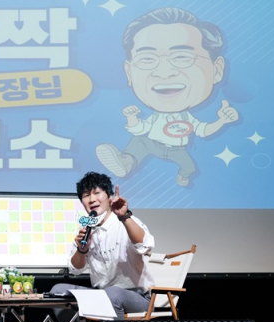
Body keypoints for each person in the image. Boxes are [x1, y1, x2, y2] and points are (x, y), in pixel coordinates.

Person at [96, 7, 239, 187]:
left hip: (177, 150)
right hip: (153, 143)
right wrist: (132, 117)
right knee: (139, 141)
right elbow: (139, 129)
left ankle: (183, 176)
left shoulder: (188, 118)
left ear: (217, 70)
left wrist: (222, 121)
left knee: (189, 167)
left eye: (182, 57)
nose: (164, 72)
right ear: (129, 73)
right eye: (147, 59)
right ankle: (126, 162)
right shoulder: (156, 117)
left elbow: (204, 130)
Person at [50, 172, 155, 322]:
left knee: (112, 293)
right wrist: (82, 249)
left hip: (137, 297)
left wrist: (125, 216)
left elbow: (145, 245)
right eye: (86, 195)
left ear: (109, 196)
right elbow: (76, 268)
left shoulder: (125, 221)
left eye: (97, 193)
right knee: (58, 291)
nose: (92, 199)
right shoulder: (86, 228)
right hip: (103, 295)